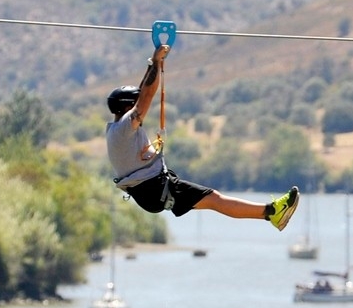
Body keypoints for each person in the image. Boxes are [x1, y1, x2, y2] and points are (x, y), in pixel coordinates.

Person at [105, 43, 299, 229]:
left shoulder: (116, 130)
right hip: (154, 189)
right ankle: (273, 213)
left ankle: (271, 213)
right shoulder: (124, 128)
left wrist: (153, 63)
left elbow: (142, 94)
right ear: (127, 107)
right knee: (215, 199)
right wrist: (156, 63)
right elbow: (145, 97)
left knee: (213, 200)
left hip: (150, 191)